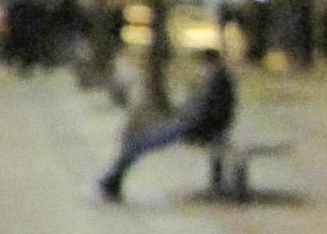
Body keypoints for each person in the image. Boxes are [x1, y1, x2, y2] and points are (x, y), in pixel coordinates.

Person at [95, 48, 234, 203]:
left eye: (199, 64)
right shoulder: (214, 79)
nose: (197, 69)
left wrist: (183, 119)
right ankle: (111, 180)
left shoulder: (216, 80)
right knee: (136, 140)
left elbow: (205, 112)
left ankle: (110, 182)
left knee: (138, 143)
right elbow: (198, 108)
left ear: (206, 62)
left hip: (195, 128)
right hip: (191, 125)